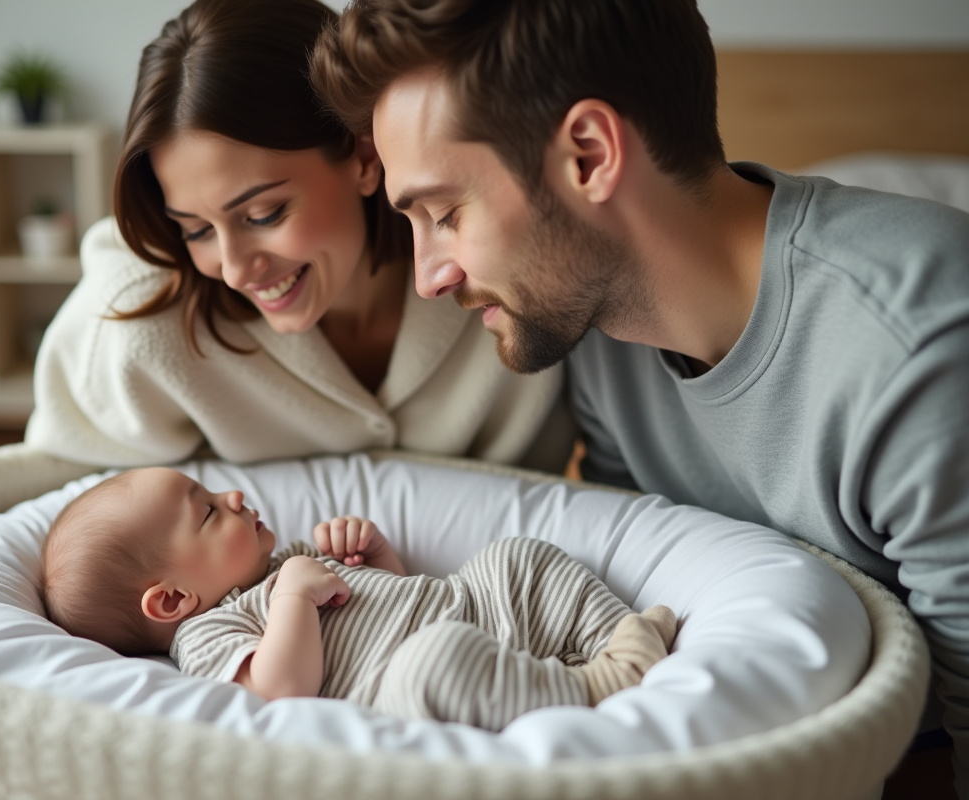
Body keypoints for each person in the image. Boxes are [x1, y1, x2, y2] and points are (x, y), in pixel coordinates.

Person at [309, 0, 969, 793]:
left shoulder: (919, 355)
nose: (430, 275)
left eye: (446, 213)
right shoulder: (599, 339)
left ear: (587, 155)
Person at [24, 0, 572, 474]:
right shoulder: (134, 325)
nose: (236, 269)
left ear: (362, 155)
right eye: (195, 230)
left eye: (263, 214)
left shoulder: (505, 272)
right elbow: (62, 509)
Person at [40, 467, 677, 731]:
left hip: (468, 606)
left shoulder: (287, 560)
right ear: (174, 599)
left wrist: (374, 560)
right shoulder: (207, 636)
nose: (232, 497)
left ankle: (607, 636)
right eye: (207, 513)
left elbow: (390, 597)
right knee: (439, 661)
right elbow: (280, 689)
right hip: (409, 681)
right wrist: (292, 599)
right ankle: (603, 684)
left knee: (514, 557)